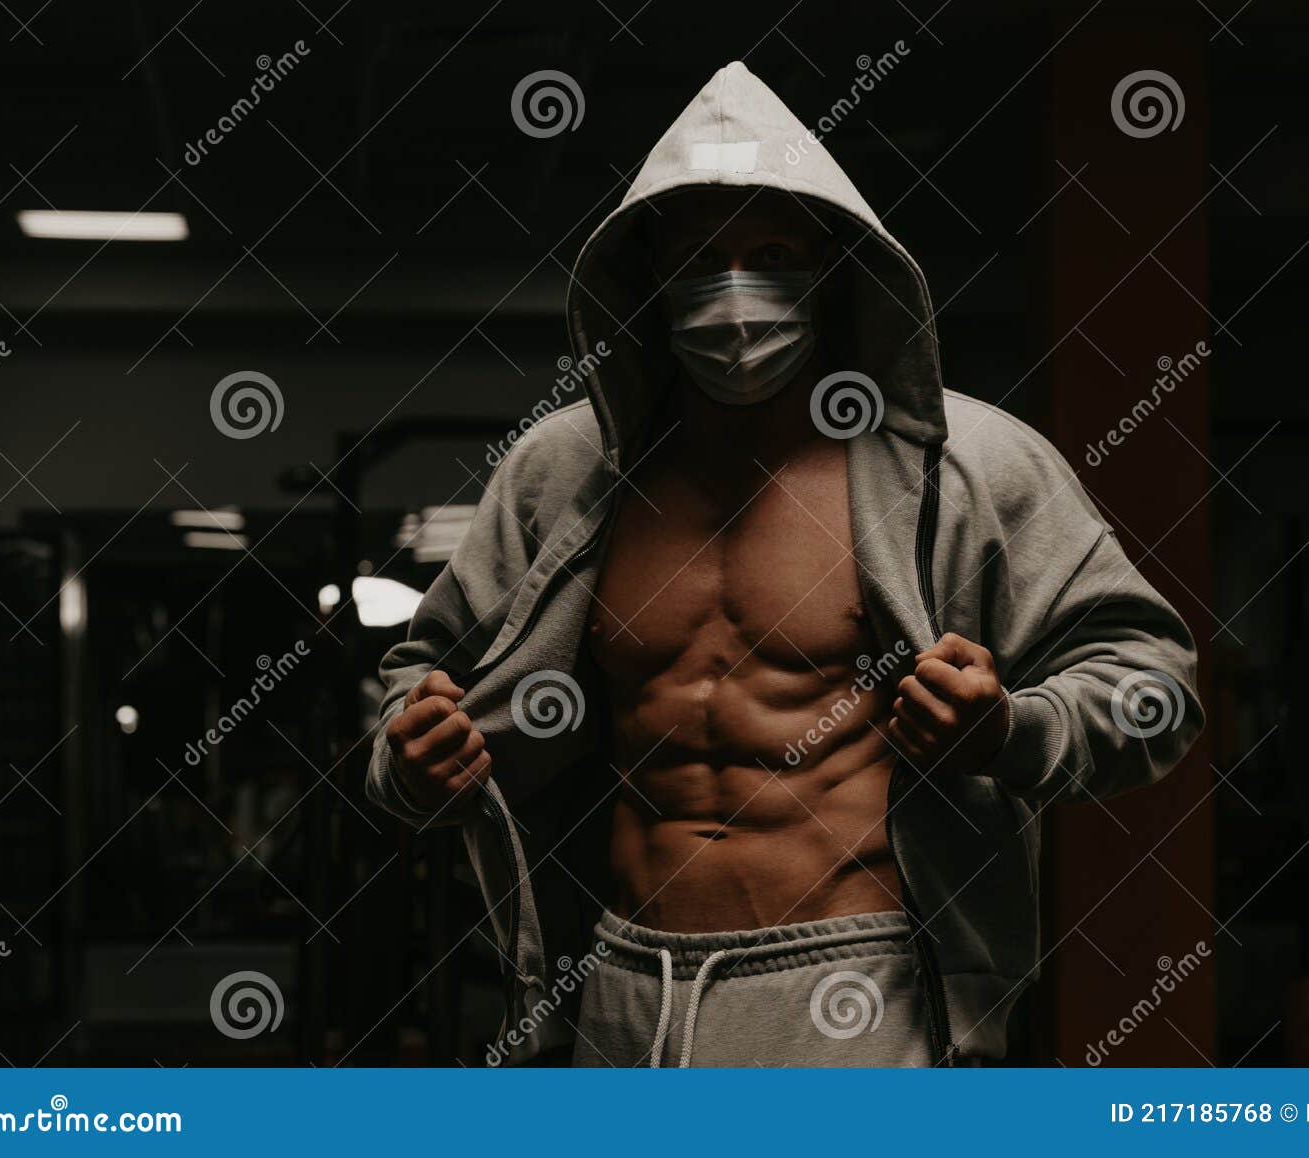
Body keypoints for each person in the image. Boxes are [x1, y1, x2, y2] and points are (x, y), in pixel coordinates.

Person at [367, 61, 1203, 1067]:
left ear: (832, 270)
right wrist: (406, 765)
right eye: (700, 259)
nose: (735, 291)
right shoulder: (562, 472)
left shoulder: (969, 466)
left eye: (771, 252)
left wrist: (1011, 731)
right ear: (650, 279)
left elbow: (1154, 684)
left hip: (856, 982)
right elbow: (424, 676)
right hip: (624, 982)